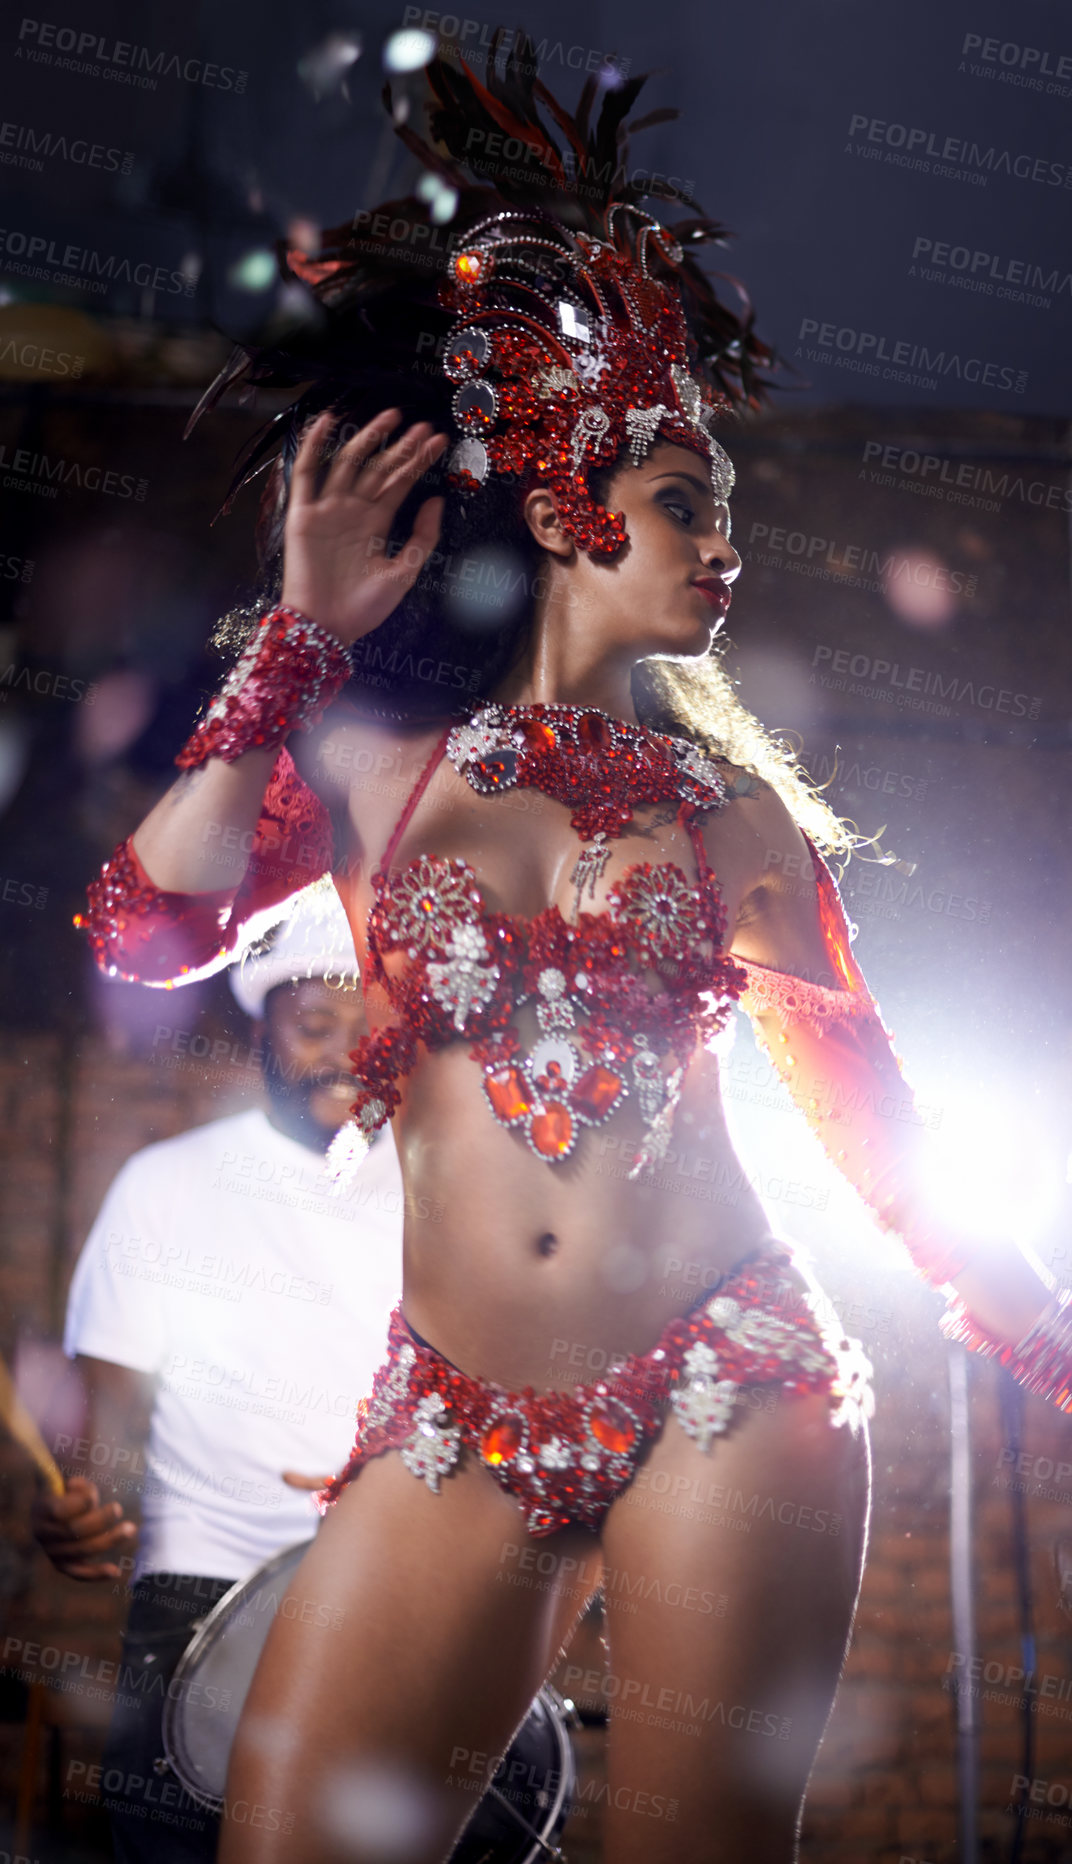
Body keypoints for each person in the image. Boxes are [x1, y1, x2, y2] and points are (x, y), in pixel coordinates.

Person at [78, 39, 1069, 1864]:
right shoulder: (374, 770)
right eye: (689, 500)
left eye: (726, 512)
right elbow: (144, 928)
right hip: (452, 1409)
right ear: (559, 511)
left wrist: (1046, 1323)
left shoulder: (733, 813)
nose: (724, 547)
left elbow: (880, 1130)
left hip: (735, 1376)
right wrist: (295, 639)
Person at [36, 884, 404, 1862]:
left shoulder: (440, 1196)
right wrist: (83, 1506)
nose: (341, 1048)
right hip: (202, 1591)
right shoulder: (168, 1184)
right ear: (263, 1028)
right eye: (314, 1021)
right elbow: (104, 1423)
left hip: (393, 1593)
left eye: (364, 1026)